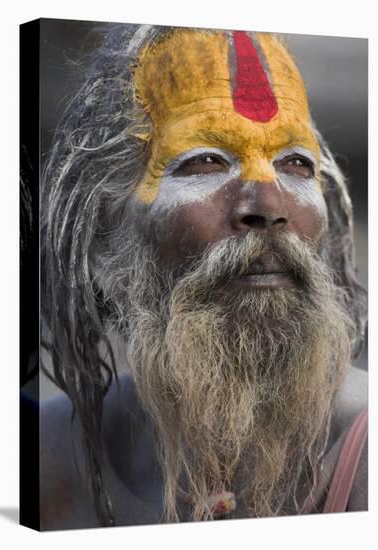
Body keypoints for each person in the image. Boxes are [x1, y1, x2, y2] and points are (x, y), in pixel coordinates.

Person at [39, 24, 368, 530]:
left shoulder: (364, 449)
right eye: (206, 160)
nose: (266, 204)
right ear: (107, 237)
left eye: (296, 163)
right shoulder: (41, 454)